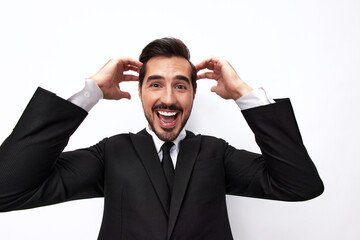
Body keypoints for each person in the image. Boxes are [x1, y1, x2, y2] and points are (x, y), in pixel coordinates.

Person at [0, 37, 323, 240]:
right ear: (139, 91)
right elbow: (7, 189)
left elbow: (300, 185)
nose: (168, 98)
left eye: (181, 86)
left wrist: (244, 93)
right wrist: (90, 91)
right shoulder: (112, 153)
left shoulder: (215, 153)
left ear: (194, 93)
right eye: (155, 84)